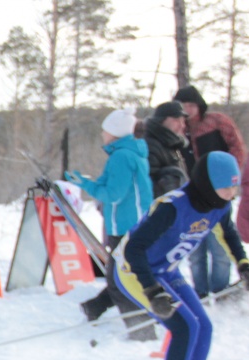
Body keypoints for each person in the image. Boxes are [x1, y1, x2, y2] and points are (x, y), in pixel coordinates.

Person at [113, 151, 249, 360]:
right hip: (135, 272)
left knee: (204, 326)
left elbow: (229, 235)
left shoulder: (219, 205)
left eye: (235, 186)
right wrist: (152, 292)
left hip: (167, 270)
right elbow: (133, 249)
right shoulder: (172, 207)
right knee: (184, 327)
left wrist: (244, 265)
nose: (232, 193)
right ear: (209, 183)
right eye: (227, 186)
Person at [68, 108, 155, 340]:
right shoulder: (126, 153)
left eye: (105, 130)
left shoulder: (122, 156)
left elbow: (113, 195)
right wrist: (85, 181)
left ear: (115, 132)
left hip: (127, 226)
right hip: (130, 225)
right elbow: (108, 184)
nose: (102, 135)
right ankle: (95, 308)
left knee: (120, 281)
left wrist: (87, 187)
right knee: (120, 277)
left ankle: (141, 330)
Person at [173, 86, 247, 295]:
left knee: (220, 242)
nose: (188, 110)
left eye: (191, 105)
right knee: (195, 246)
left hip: (220, 189)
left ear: (199, 104)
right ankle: (201, 292)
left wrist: (230, 178)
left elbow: (237, 146)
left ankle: (220, 289)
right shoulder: (180, 129)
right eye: (184, 106)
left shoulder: (216, 121)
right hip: (193, 192)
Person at [143, 102, 189, 197]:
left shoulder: (171, 143)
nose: (182, 125)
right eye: (176, 120)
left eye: (183, 121)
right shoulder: (150, 145)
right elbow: (147, 184)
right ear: (161, 120)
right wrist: (170, 183)